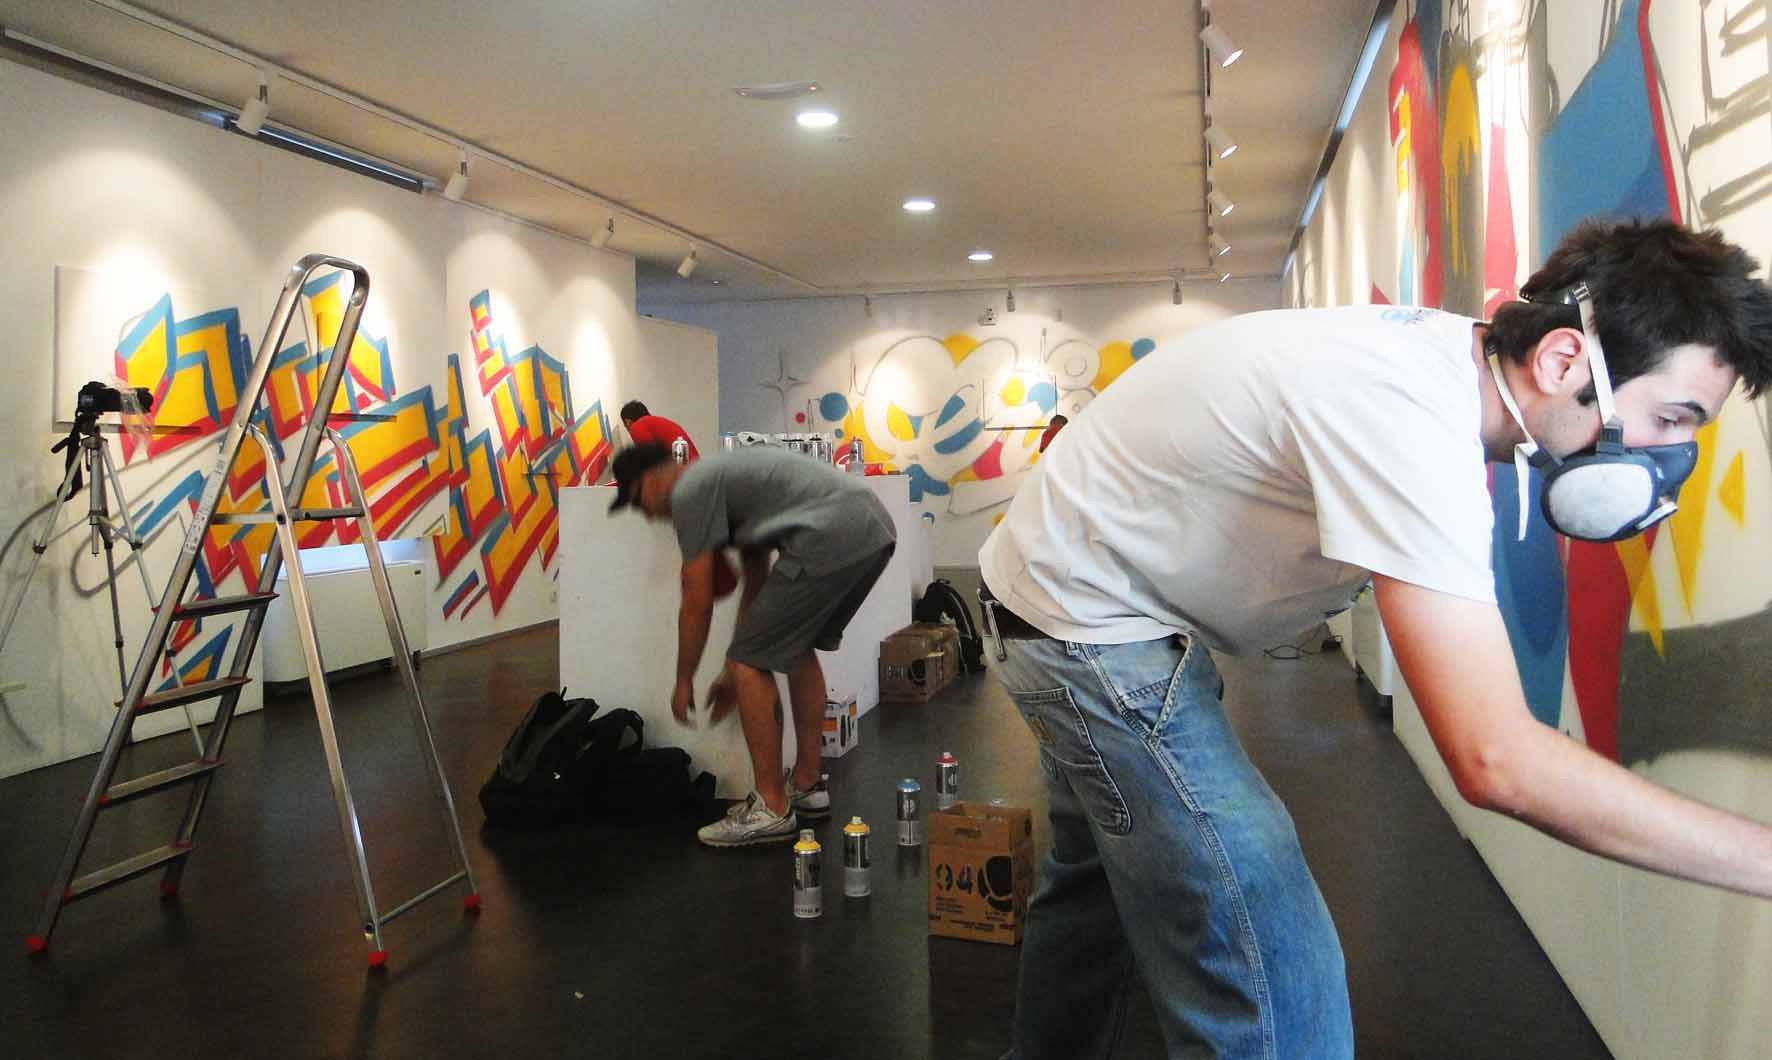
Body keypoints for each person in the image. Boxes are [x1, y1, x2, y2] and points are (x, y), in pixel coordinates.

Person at [977, 218, 1772, 1059]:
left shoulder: (1438, 371)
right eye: (1671, 418)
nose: (1673, 455)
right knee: (1271, 963)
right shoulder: (1409, 418)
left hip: (1068, 589)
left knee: (1096, 891)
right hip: (1087, 625)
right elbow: (1497, 760)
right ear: (1562, 360)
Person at [609, 443, 897, 846]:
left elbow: (696, 598)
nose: (645, 514)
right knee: (795, 647)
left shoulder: (689, 491)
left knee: (751, 661)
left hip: (830, 535)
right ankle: (807, 784)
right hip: (870, 528)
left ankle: (771, 808)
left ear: (652, 480)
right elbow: (757, 582)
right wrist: (733, 665)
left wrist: (685, 679)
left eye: (637, 501)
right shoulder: (722, 483)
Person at [620, 399, 700, 461]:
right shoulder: (657, 422)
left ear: (628, 422)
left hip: (682, 470)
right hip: (693, 467)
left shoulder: (637, 426)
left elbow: (649, 459)